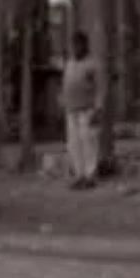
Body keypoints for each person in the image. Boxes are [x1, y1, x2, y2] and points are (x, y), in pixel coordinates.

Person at [61, 32, 101, 190]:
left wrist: (98, 108)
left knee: (88, 142)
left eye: (78, 44)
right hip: (71, 109)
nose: (75, 48)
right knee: (73, 144)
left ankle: (90, 175)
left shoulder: (93, 64)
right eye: (73, 45)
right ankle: (79, 175)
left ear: (85, 45)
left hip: (87, 109)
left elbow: (100, 88)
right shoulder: (70, 63)